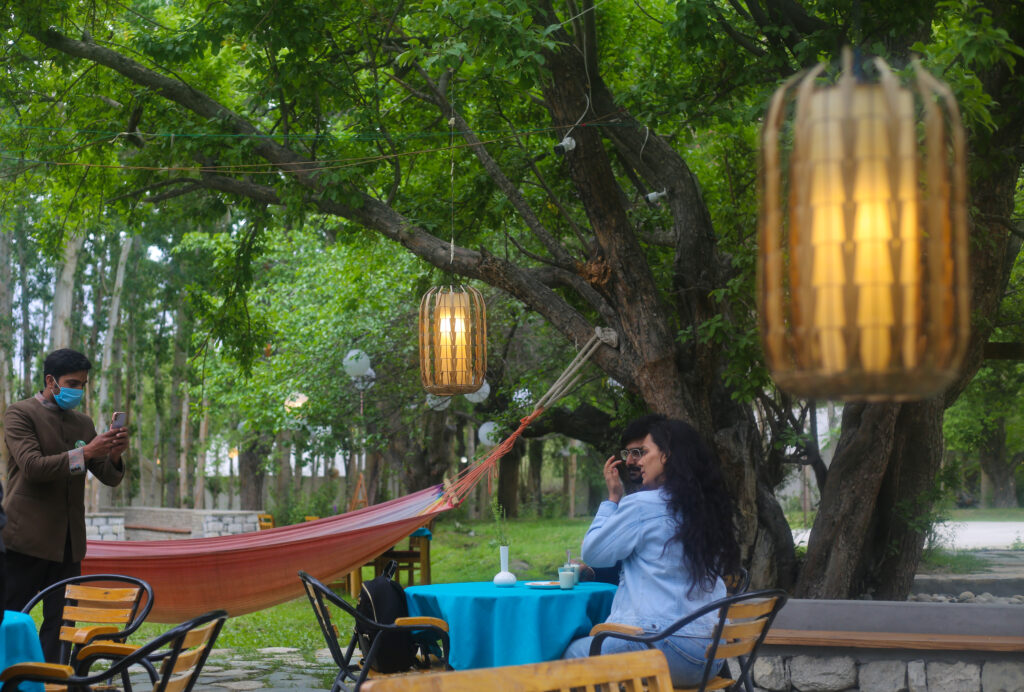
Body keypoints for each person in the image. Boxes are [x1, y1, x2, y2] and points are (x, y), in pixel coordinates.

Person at [563, 415, 741, 687]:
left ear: (667, 455)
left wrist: (612, 500)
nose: (638, 461)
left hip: (664, 650)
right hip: (710, 658)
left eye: (644, 453)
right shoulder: (708, 510)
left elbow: (593, 553)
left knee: (569, 654)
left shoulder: (643, 505)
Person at [3, 348, 129, 662]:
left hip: (69, 545)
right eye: (72, 382)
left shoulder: (83, 424)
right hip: (23, 540)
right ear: (51, 380)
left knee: (62, 625)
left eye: (83, 384)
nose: (78, 390)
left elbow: (108, 477)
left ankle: (53, 680)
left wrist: (113, 452)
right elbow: (33, 467)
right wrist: (85, 454)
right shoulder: (19, 414)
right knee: (11, 618)